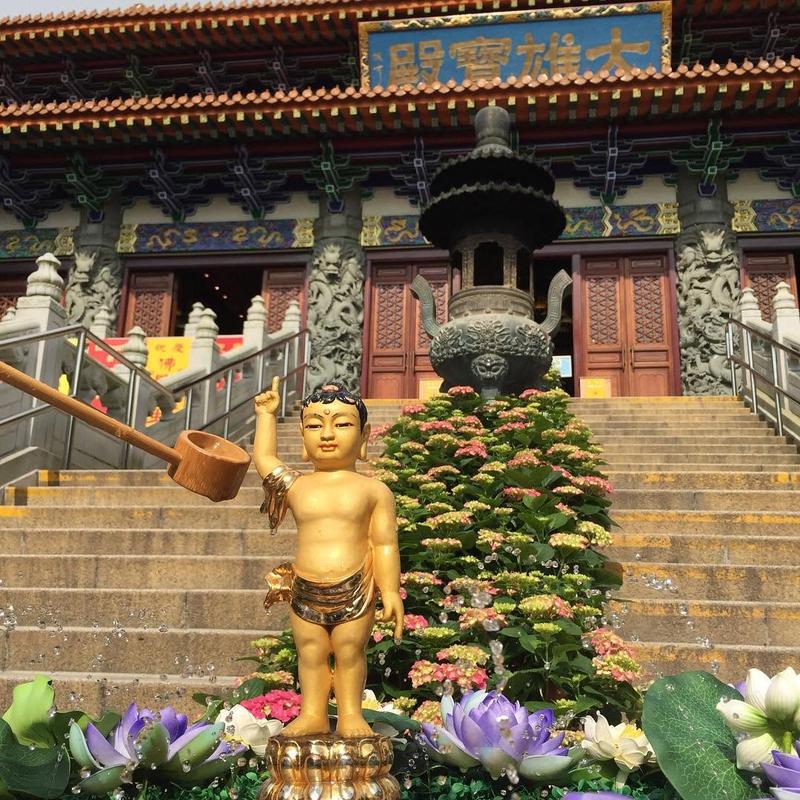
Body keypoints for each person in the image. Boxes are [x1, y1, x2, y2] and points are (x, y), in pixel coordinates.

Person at [253, 377, 404, 738]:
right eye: (315, 425)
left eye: (343, 423)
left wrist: (391, 591)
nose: (327, 434)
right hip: (305, 586)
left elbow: (384, 544)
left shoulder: (373, 490)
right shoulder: (298, 486)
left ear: (364, 437)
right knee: (310, 651)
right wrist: (266, 416)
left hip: (355, 586)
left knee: (350, 650)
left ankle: (351, 714)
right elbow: (263, 459)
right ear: (304, 440)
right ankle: (313, 714)